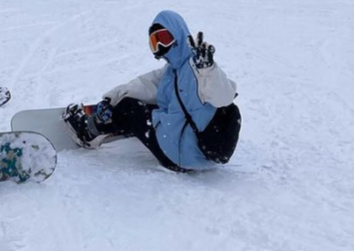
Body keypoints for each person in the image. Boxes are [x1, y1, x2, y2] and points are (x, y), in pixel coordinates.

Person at [63, 10, 240, 172]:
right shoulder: (173, 70)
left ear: (179, 34)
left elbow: (224, 96)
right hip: (199, 154)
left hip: (177, 155)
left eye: (164, 37)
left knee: (130, 109)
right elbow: (145, 85)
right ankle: (122, 122)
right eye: (155, 42)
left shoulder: (200, 69)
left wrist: (209, 70)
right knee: (148, 100)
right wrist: (111, 98)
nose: (161, 46)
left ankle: (88, 132)